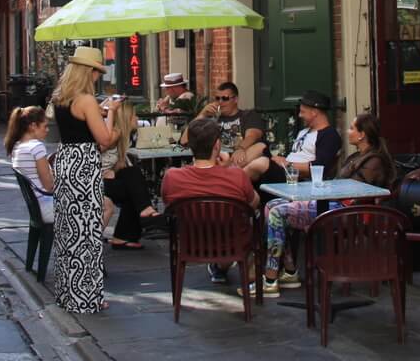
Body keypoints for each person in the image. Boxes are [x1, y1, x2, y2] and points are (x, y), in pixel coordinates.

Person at [261, 112, 396, 294]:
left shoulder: (374, 161)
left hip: (346, 212)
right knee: (271, 206)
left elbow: (353, 190)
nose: (348, 132)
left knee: (278, 212)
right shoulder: (355, 157)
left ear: (362, 134)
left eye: (351, 128)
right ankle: (290, 270)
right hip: (333, 204)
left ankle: (270, 279)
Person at [47, 46, 124, 314]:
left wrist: (100, 111)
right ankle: (88, 297)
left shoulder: (60, 98)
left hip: (66, 160)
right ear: (87, 72)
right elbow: (104, 140)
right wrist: (111, 111)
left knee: (69, 230)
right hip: (84, 165)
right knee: (88, 231)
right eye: (96, 73)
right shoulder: (87, 101)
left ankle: (68, 294)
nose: (96, 78)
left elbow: (77, 126)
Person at [161, 117, 260, 285]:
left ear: (191, 145)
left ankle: (220, 268)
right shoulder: (236, 175)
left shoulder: (172, 177)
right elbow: (253, 203)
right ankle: (254, 276)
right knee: (259, 218)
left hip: (190, 245)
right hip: (233, 243)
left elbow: (169, 205)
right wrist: (226, 169)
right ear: (217, 145)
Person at [181, 81, 270, 183]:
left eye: (225, 98)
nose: (220, 102)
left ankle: (224, 174)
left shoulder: (248, 115)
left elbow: (252, 136)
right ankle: (225, 175)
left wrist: (240, 148)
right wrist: (202, 114)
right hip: (214, 161)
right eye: (217, 98)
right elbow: (184, 141)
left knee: (260, 147)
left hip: (238, 159)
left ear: (235, 99)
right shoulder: (211, 120)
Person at [102, 103, 159, 249]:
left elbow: (119, 166)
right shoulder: (113, 134)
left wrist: (113, 171)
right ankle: (143, 213)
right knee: (134, 186)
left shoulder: (121, 137)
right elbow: (94, 154)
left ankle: (124, 235)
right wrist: (103, 173)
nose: (137, 118)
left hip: (104, 181)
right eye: (134, 115)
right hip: (93, 182)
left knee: (133, 177)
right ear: (126, 118)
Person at [271, 90, 342, 181]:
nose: (300, 115)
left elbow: (319, 167)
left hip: (299, 178)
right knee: (261, 148)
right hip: (286, 172)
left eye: (302, 112)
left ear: (314, 113)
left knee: (260, 164)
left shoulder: (329, 136)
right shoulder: (304, 131)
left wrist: (287, 164)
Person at [6, 106, 55, 222]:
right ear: (33, 126)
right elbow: (49, 186)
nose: (47, 130)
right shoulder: (36, 147)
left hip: (36, 207)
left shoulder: (17, 145)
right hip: (47, 206)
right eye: (45, 126)